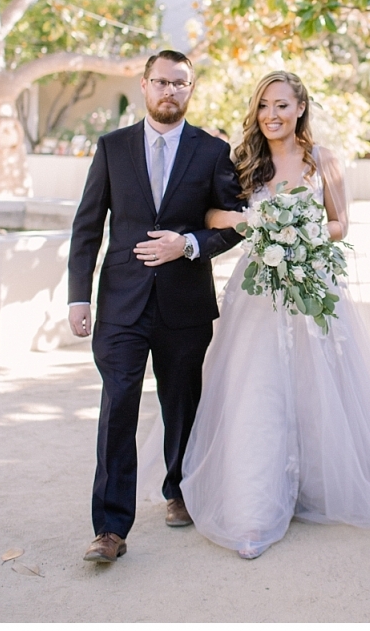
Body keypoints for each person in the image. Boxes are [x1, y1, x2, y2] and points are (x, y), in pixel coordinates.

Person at [179, 71, 370, 559]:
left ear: (300, 109)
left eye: (282, 106)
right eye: (265, 106)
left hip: (311, 282)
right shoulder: (244, 162)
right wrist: (259, 220)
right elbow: (211, 216)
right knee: (258, 388)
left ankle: (319, 484)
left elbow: (340, 224)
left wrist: (301, 231)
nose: (272, 115)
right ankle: (254, 503)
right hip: (258, 291)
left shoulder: (323, 160)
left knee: (322, 385)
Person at [67, 50, 244, 564]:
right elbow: (87, 226)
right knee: (118, 405)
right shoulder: (112, 147)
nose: (170, 91)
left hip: (184, 305)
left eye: (180, 84)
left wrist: (186, 244)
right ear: (144, 86)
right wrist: (79, 295)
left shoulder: (213, 152)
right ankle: (110, 529)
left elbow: (231, 224)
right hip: (121, 304)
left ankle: (178, 491)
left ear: (192, 89)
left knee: (181, 404)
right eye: (161, 82)